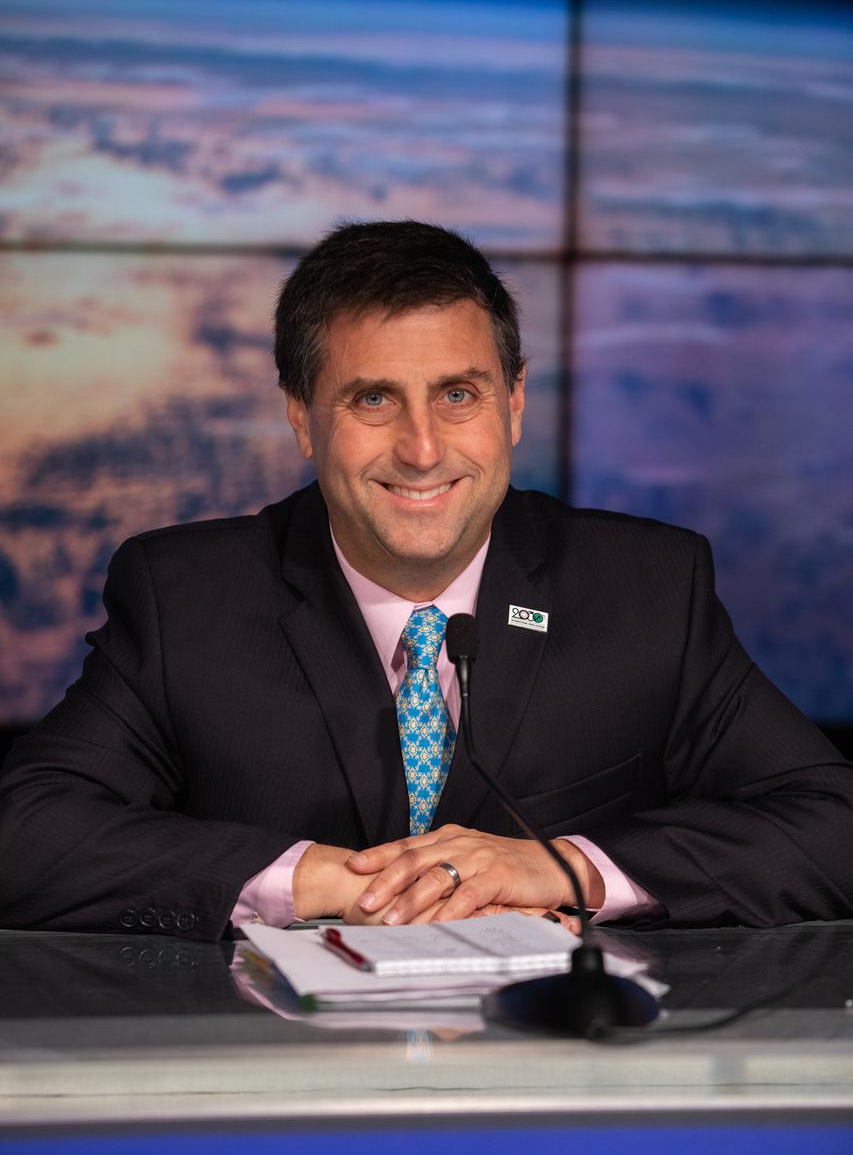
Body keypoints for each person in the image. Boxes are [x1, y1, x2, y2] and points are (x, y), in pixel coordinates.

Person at [1, 221, 851, 941]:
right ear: (301, 415)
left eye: (457, 395)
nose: (420, 449)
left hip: (560, 1075)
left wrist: (562, 868)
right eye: (373, 399)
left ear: (513, 402)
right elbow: (26, 835)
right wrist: (320, 883)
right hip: (278, 1081)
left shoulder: (647, 587)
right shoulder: (185, 595)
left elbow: (830, 825)